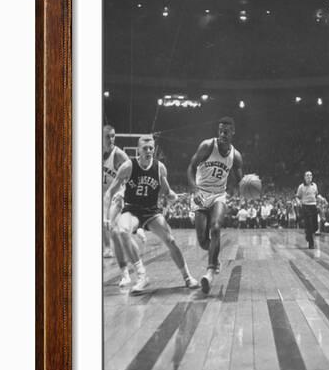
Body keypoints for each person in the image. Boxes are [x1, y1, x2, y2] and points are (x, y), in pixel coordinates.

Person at [104, 135, 198, 293]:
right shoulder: (128, 166)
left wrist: (173, 196)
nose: (148, 151)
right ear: (138, 150)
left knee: (171, 240)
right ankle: (142, 276)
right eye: (145, 148)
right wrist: (106, 216)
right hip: (132, 209)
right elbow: (109, 192)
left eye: (151, 148)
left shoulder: (160, 167)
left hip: (151, 211)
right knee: (122, 231)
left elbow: (167, 191)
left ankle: (187, 277)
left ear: (154, 150)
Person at [187, 117, 244, 294]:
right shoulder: (207, 146)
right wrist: (195, 190)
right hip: (201, 193)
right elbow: (190, 167)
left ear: (233, 132)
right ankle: (215, 258)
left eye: (226, 131)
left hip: (219, 195)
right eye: (220, 130)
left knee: (216, 228)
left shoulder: (236, 156)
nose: (222, 134)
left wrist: (248, 188)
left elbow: (241, 180)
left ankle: (210, 272)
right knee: (203, 241)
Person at [102, 124, 131, 268]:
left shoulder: (119, 154)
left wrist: (129, 191)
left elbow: (132, 170)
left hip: (116, 194)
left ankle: (116, 251)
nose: (111, 139)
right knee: (103, 222)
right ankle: (107, 247)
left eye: (113, 136)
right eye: (108, 136)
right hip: (102, 194)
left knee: (110, 224)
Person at [295, 171, 326, 249]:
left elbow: (316, 195)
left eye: (310, 175)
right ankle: (311, 243)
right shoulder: (301, 186)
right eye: (307, 175)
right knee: (309, 224)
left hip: (313, 206)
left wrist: (321, 198)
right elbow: (297, 196)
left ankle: (308, 234)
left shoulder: (314, 185)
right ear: (304, 177)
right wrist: (298, 201)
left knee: (315, 226)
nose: (309, 177)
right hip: (305, 206)